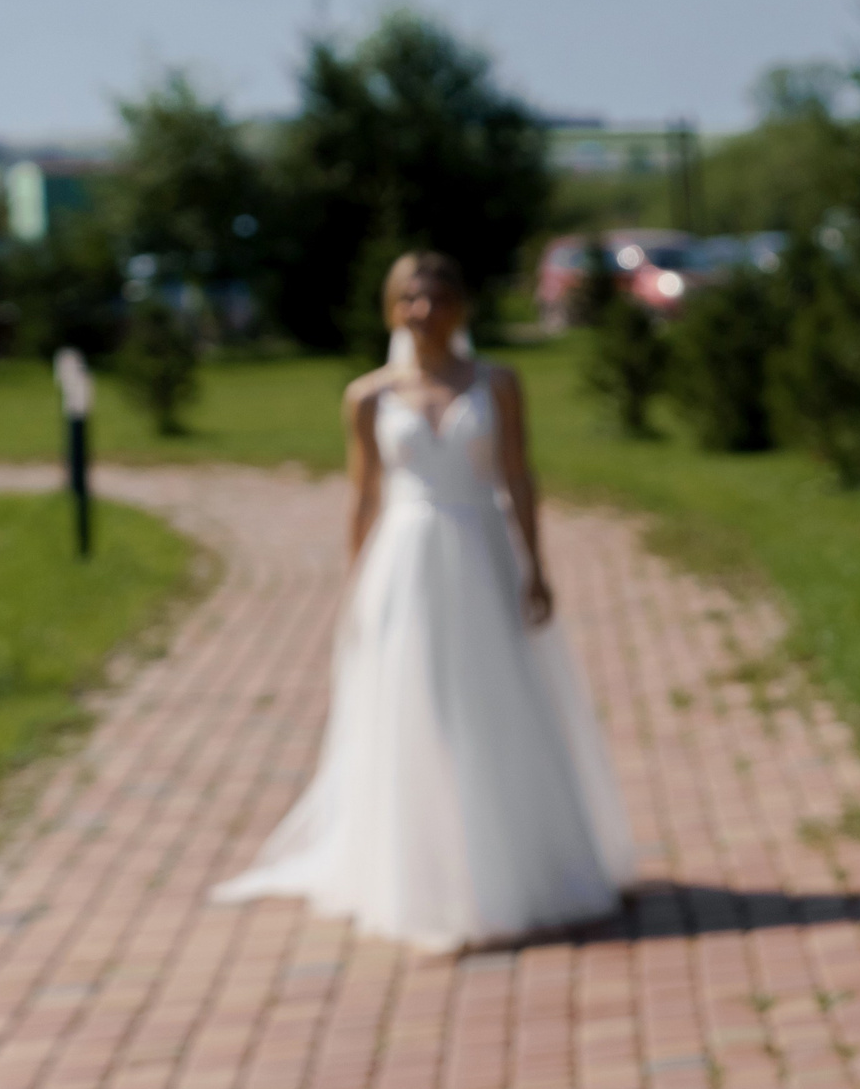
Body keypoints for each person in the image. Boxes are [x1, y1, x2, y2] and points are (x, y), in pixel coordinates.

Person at [214, 251, 635, 952]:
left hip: (482, 554)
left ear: (460, 306)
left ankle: (520, 868)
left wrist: (536, 566)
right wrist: (353, 584)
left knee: (496, 706)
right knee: (417, 707)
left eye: (438, 296)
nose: (424, 310)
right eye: (411, 298)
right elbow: (362, 494)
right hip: (404, 565)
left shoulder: (498, 383)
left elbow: (520, 475)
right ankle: (430, 881)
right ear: (392, 309)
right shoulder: (368, 396)